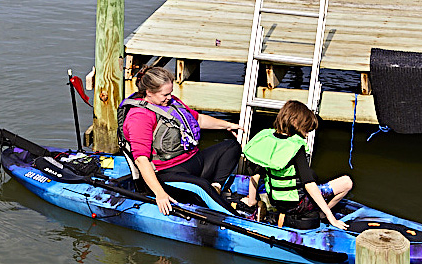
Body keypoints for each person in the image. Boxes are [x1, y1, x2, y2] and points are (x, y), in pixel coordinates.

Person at [118, 66, 243, 216]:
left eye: (170, 93)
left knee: (231, 146)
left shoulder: (170, 103)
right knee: (201, 187)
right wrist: (159, 193)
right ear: (149, 92)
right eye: (165, 94)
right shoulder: (139, 117)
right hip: (168, 173)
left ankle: (215, 187)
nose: (169, 97)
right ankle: (239, 220)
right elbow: (141, 160)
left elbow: (198, 120)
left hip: (195, 161)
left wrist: (228, 125)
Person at [241, 100, 353, 230]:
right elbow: (309, 185)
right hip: (298, 204)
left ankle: (271, 208)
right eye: (306, 130)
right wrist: (331, 217)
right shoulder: (296, 146)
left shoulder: (267, 138)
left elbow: (255, 175)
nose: (306, 135)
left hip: (276, 200)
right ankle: (322, 214)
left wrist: (251, 201)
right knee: (346, 182)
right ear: (296, 124)